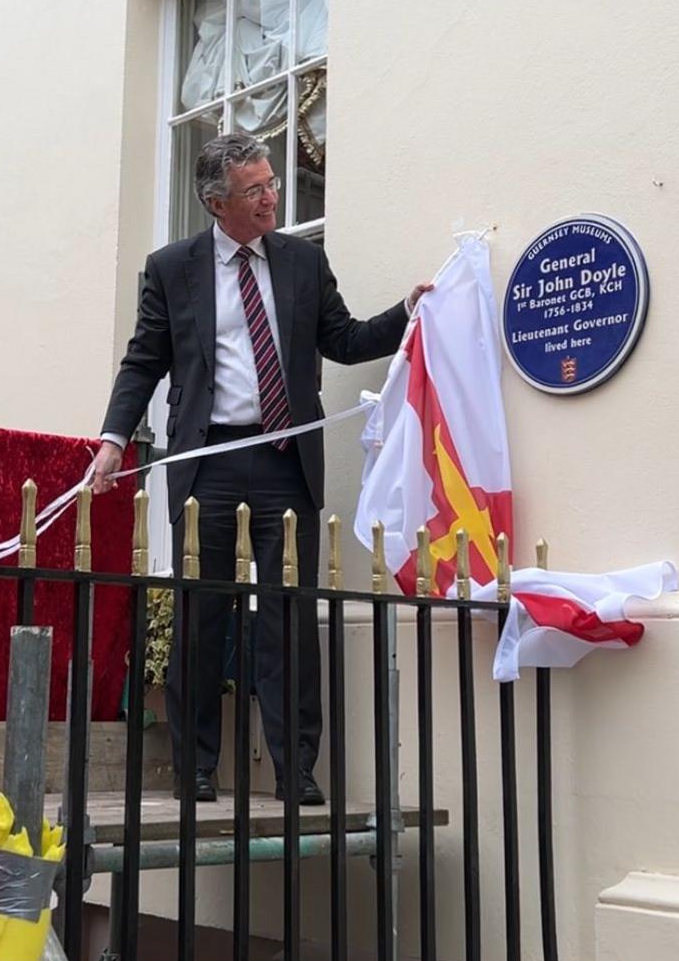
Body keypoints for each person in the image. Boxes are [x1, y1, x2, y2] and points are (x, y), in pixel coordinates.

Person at [93, 133, 430, 804]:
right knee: (201, 615)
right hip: (208, 463)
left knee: (289, 618)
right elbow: (142, 362)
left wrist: (409, 312)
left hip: (284, 460)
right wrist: (112, 439)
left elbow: (344, 338)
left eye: (272, 182)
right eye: (255, 190)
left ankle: (295, 768)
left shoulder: (303, 261)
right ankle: (195, 767)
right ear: (216, 203)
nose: (273, 195)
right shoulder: (172, 268)